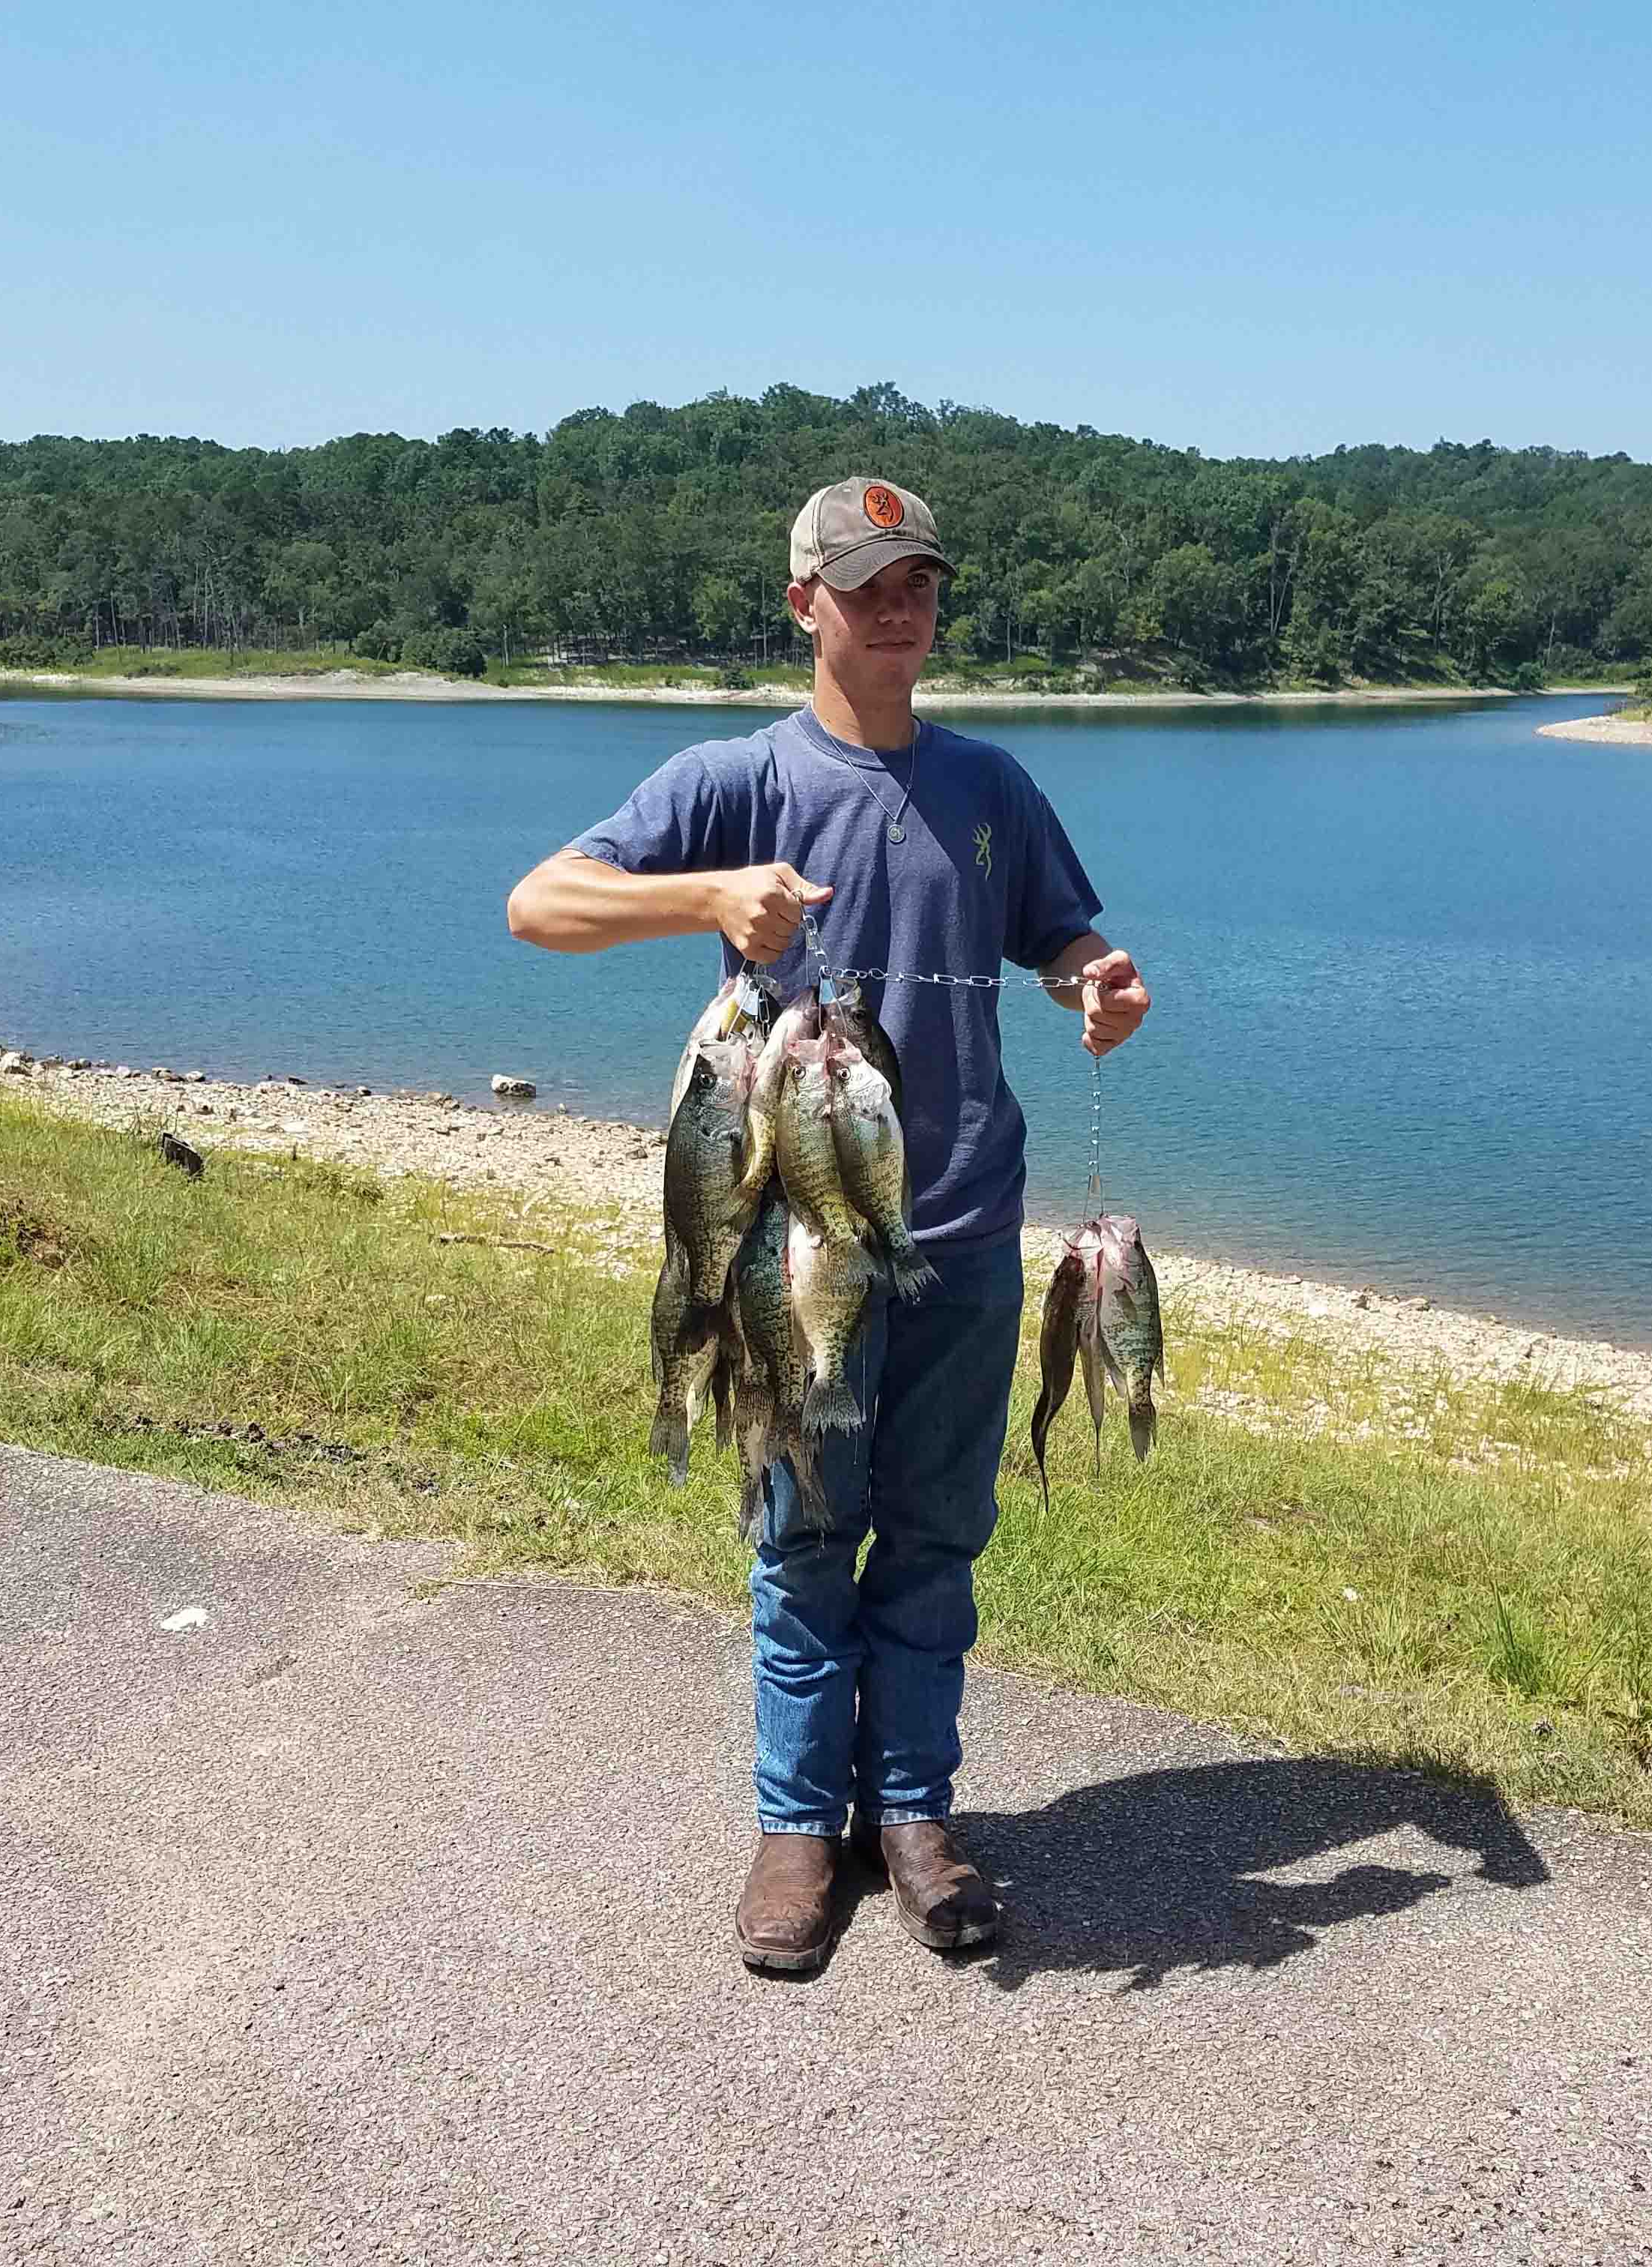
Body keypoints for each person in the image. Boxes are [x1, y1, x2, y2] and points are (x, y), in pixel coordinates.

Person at [504, 475, 1150, 1972]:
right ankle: (799, 1826)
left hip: (974, 1234)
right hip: (798, 1243)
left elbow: (1064, 943)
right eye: (870, 585)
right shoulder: (737, 779)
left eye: (920, 580)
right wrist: (710, 896)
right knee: (803, 1533)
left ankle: (911, 1816)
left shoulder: (990, 788)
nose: (903, 606)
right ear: (807, 606)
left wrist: (1105, 984)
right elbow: (539, 903)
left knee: (935, 1540)